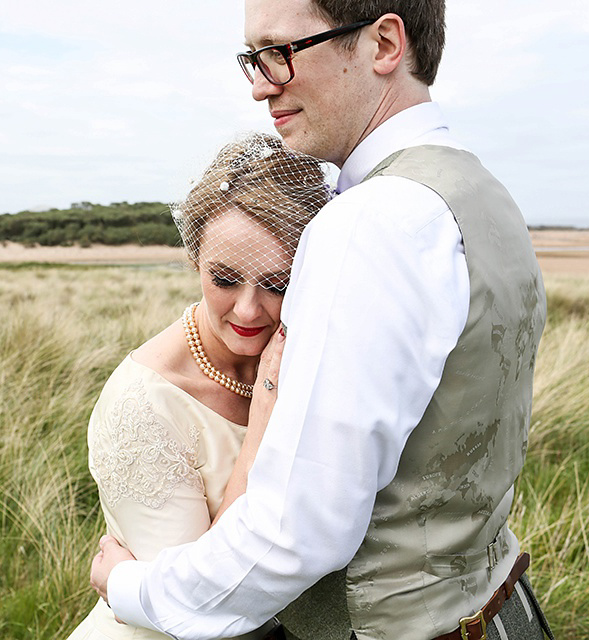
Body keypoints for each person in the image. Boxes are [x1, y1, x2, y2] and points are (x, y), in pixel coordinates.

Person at [90, 2, 553, 640]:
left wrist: (132, 586)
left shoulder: (370, 221)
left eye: (280, 51)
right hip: (507, 611)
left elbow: (298, 530)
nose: (259, 84)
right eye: (251, 59)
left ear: (384, 43)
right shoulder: (480, 193)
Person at [66, 132, 331, 640]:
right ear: (194, 260)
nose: (249, 310)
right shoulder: (143, 404)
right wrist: (262, 423)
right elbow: (197, 608)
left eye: (279, 284)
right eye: (225, 279)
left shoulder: (314, 358)